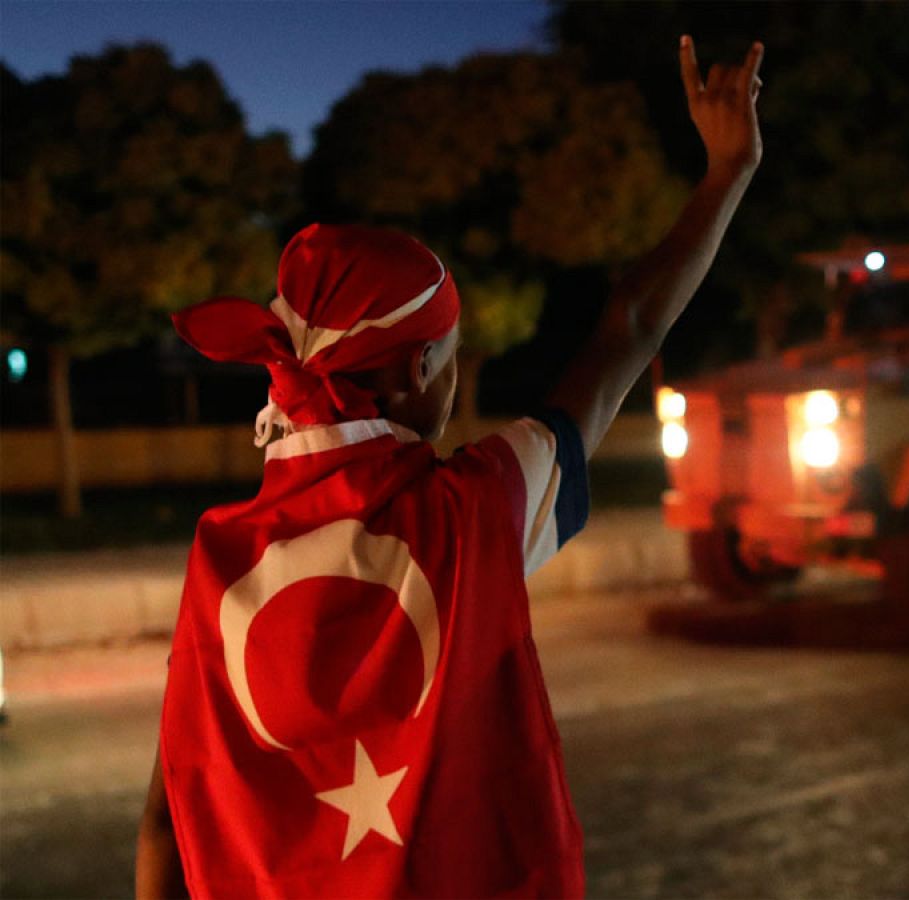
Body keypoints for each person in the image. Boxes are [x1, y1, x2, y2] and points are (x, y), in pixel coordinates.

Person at [136, 35, 763, 898]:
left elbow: (167, 820)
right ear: (414, 371)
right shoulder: (473, 513)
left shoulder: (220, 560)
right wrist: (725, 173)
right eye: (450, 353)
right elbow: (629, 329)